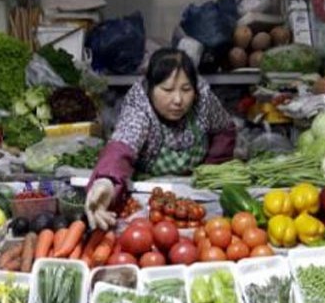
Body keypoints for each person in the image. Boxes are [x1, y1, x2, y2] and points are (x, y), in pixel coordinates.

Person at [84, 48, 236, 229]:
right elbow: (123, 144)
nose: (178, 100)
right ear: (150, 88)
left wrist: (211, 173)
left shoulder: (203, 100)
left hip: (196, 202)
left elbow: (224, 131)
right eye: (167, 89)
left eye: (186, 89)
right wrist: (106, 181)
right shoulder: (140, 106)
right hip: (149, 201)